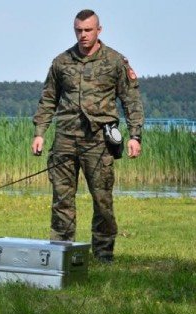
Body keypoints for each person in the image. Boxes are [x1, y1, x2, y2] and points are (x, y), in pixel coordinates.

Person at [31, 9, 144, 263]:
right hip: (65, 140)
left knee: (102, 200)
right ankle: (61, 253)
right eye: (78, 30)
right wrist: (39, 132)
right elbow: (48, 99)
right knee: (62, 200)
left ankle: (103, 255)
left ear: (99, 30)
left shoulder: (115, 62)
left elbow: (131, 101)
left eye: (88, 30)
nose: (83, 35)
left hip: (99, 141)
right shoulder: (61, 62)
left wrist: (135, 136)